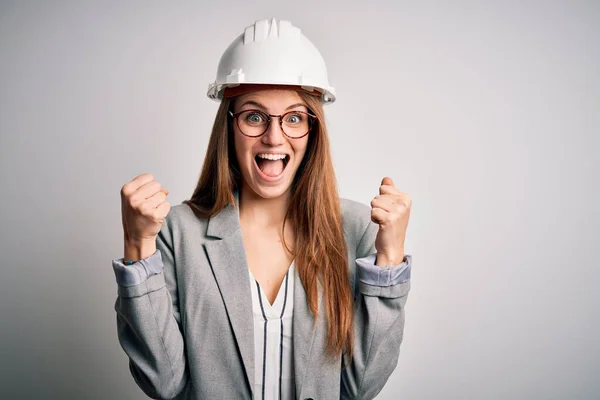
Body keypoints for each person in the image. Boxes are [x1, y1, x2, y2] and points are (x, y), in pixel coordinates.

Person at [112, 18, 412, 400]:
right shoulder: (177, 231)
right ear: (230, 126)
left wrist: (389, 260)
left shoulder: (357, 230)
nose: (274, 136)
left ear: (314, 129)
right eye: (254, 116)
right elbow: (162, 382)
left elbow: (361, 386)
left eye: (294, 118)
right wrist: (137, 245)